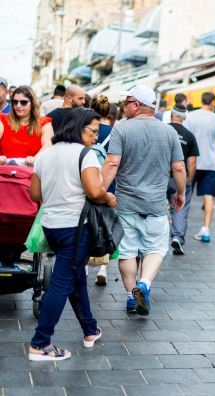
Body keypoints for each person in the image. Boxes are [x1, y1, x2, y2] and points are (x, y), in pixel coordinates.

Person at [28, 108, 116, 361]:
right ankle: (40, 344)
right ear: (78, 128)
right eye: (93, 132)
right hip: (75, 228)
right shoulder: (85, 154)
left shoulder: (45, 155)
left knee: (75, 277)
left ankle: (90, 329)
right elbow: (95, 192)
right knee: (61, 283)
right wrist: (108, 197)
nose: (96, 139)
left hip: (51, 226)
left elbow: (35, 194)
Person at [101, 85, 186, 315]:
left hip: (126, 205)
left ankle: (131, 296)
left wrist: (98, 191)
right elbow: (178, 166)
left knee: (127, 252)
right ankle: (144, 284)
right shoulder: (170, 132)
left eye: (126, 102)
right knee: (156, 248)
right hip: (156, 206)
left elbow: (111, 163)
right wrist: (181, 193)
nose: (124, 107)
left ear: (137, 105)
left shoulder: (121, 130)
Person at [183, 91, 215, 243]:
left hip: (192, 161)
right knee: (209, 196)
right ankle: (206, 229)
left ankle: (180, 226)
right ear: (213, 102)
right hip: (211, 163)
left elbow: (185, 137)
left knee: (186, 193)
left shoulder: (190, 116)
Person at [89, 94, 115, 286]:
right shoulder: (115, 133)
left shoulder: (88, 129)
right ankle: (103, 268)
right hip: (108, 183)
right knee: (105, 226)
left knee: (86, 222)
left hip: (88, 180)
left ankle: (83, 264)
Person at [167, 104, 199, 255]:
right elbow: (192, 162)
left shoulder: (163, 130)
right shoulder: (189, 135)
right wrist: (188, 181)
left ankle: (151, 239)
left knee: (156, 208)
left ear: (171, 115)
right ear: (184, 117)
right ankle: (177, 237)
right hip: (179, 178)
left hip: (160, 177)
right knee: (180, 208)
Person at [0, 85, 54, 166]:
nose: (18, 106)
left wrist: (35, 158)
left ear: (32, 103)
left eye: (23, 102)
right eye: (15, 102)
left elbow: (48, 144)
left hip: (31, 172)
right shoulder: (3, 120)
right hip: (4, 172)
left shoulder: (44, 123)